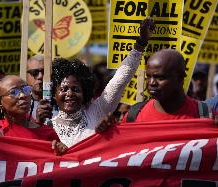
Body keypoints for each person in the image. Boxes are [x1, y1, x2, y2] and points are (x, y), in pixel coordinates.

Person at [37, 17, 155, 147]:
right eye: (64, 89)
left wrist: (140, 43)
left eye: (75, 89)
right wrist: (38, 125)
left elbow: (119, 80)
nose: (69, 94)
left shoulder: (97, 111)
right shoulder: (46, 124)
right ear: (54, 93)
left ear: (85, 92)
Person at [122, 49, 212, 123]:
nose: (152, 82)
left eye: (160, 77)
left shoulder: (206, 114)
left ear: (180, 78)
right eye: (148, 76)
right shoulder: (134, 116)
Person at [0, 75, 67, 155]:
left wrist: (61, 150)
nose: (23, 95)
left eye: (26, 89)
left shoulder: (47, 132)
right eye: (13, 92)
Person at [26, 55, 58, 121]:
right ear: (26, 75)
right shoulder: (21, 104)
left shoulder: (61, 101)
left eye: (45, 72)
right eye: (34, 72)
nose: (40, 76)